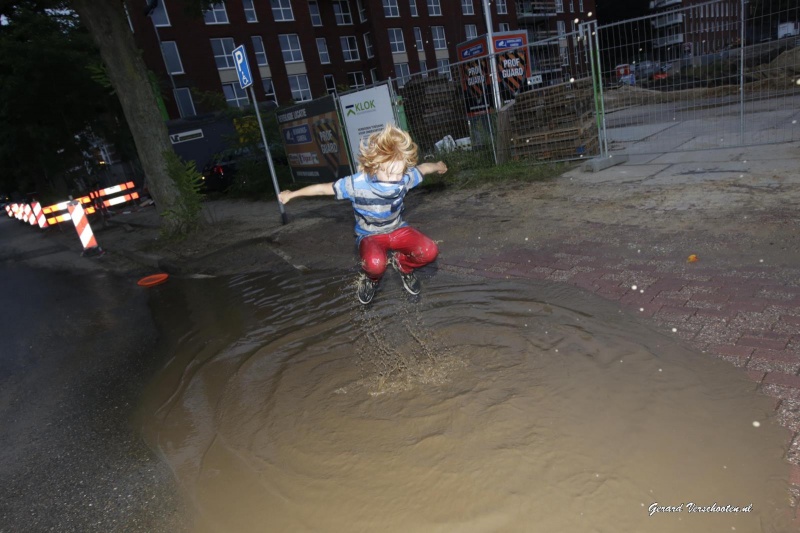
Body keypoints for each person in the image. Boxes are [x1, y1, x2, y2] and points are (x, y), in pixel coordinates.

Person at [278, 123, 448, 304]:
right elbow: (322, 189)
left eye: (400, 173)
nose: (395, 180)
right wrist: (293, 194)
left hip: (397, 229)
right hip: (370, 235)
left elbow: (423, 168)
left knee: (429, 251)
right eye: (390, 174)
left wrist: (437, 165)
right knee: (376, 265)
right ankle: (371, 280)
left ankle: (403, 266)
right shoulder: (356, 184)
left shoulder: (403, 178)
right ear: (375, 167)